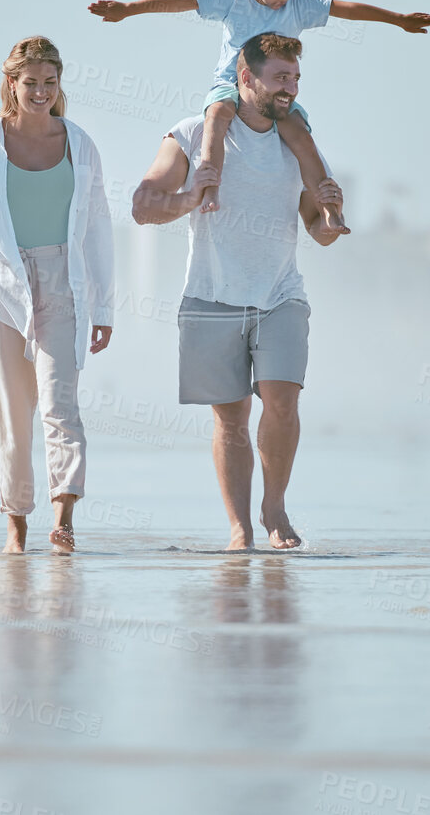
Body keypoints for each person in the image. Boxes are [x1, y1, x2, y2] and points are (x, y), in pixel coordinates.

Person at [130, 32, 346, 550]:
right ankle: (239, 527)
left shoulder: (297, 143)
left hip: (281, 294)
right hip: (210, 294)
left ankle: (275, 510)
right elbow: (143, 205)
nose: (290, 89)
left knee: (283, 402)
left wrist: (331, 221)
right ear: (246, 77)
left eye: (295, 78)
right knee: (230, 420)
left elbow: (318, 229)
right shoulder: (190, 134)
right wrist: (189, 197)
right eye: (280, 78)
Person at [89, 0, 430, 233]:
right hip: (230, 84)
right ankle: (210, 188)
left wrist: (398, 20)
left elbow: (346, 9)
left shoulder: (298, 5)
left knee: (300, 132)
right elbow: (182, 1)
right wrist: (128, 9)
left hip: (275, 95)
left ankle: (329, 211)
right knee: (217, 117)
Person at [0, 36, 116, 555]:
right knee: (11, 410)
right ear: (12, 84)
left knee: (60, 405)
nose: (42, 92)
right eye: (31, 84)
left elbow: (97, 228)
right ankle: (16, 526)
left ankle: (64, 518)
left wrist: (105, 307)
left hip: (64, 282)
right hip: (3, 289)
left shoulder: (80, 143)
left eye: (50, 83)